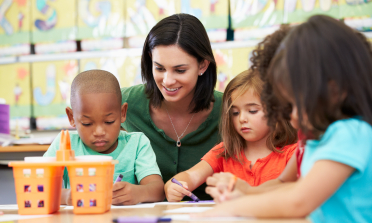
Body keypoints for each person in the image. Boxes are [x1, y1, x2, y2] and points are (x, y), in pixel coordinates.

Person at [196, 15, 372, 222]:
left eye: (297, 105)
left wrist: (236, 207)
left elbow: (299, 200)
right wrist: (245, 191)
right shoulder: (318, 137)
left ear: (334, 90)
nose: (292, 118)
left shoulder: (350, 133)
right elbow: (287, 185)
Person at [121, 13, 222, 200]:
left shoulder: (230, 109)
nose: (167, 80)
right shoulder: (124, 102)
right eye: (159, 68)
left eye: (180, 70)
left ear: (203, 66)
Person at [164, 70, 297, 202]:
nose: (242, 119)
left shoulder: (294, 154)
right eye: (235, 113)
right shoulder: (224, 151)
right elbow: (190, 176)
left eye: (252, 111)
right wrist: (173, 186)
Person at [205, 25, 301, 202]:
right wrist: (245, 191)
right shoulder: (307, 140)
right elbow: (281, 182)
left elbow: (300, 200)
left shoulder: (344, 136)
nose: (282, 111)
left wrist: (240, 201)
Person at [44, 70, 164, 205]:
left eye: (109, 121)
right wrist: (66, 196)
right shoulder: (64, 144)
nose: (99, 132)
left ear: (122, 113)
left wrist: (138, 193)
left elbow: (158, 190)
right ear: (71, 117)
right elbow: (38, 187)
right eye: (87, 123)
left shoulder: (137, 143)